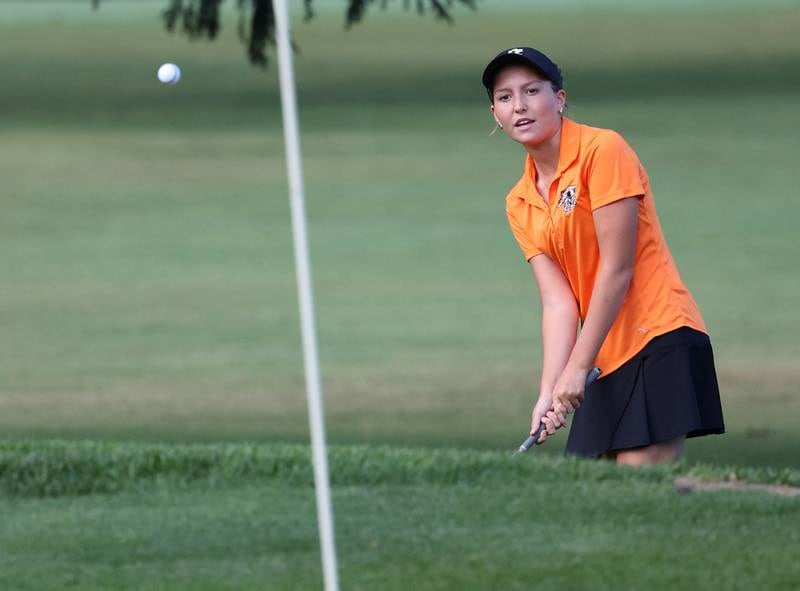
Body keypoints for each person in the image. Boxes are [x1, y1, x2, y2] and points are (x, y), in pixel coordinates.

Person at [481, 47, 725, 465]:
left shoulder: (602, 150)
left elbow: (618, 269)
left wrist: (576, 369)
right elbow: (558, 304)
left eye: (531, 90)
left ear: (558, 99)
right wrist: (549, 389)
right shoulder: (519, 201)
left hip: (657, 335)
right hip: (601, 356)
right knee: (588, 492)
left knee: (638, 489)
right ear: (495, 114)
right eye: (505, 97)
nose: (519, 105)